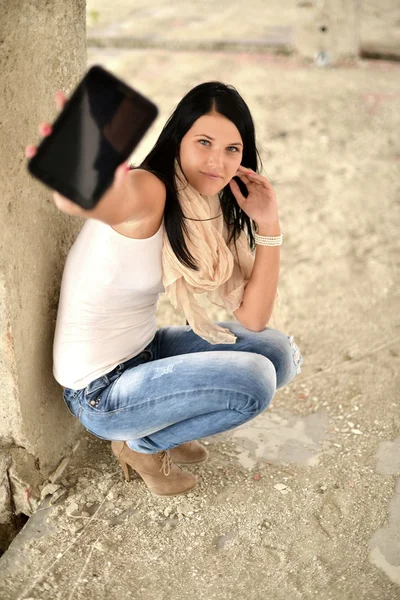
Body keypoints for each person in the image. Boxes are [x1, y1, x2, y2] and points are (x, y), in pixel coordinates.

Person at [25, 81, 303, 497]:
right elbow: (101, 199)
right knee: (255, 380)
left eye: (233, 149)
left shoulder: (206, 210)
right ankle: (142, 445)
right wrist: (78, 179)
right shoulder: (150, 189)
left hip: (144, 352)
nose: (218, 161)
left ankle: (160, 420)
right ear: (177, 139)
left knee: (278, 353)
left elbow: (253, 317)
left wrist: (269, 224)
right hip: (99, 390)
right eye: (204, 142)